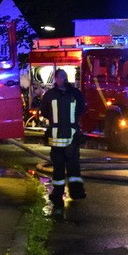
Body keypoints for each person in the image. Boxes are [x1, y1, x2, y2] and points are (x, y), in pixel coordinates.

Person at [41, 68, 87, 207]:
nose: (64, 78)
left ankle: (76, 192)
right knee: (58, 168)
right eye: (61, 76)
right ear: (56, 79)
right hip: (56, 139)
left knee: (73, 167)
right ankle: (57, 193)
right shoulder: (49, 95)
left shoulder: (75, 94)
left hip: (71, 137)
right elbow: (45, 112)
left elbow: (81, 110)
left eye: (65, 76)